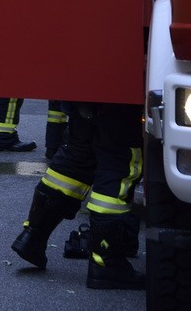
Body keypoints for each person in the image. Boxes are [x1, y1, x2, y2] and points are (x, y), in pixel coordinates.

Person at [11, 102, 145, 290]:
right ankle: (106, 264)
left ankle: (32, 237)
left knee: (77, 155)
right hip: (122, 98)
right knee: (120, 162)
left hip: (85, 92)